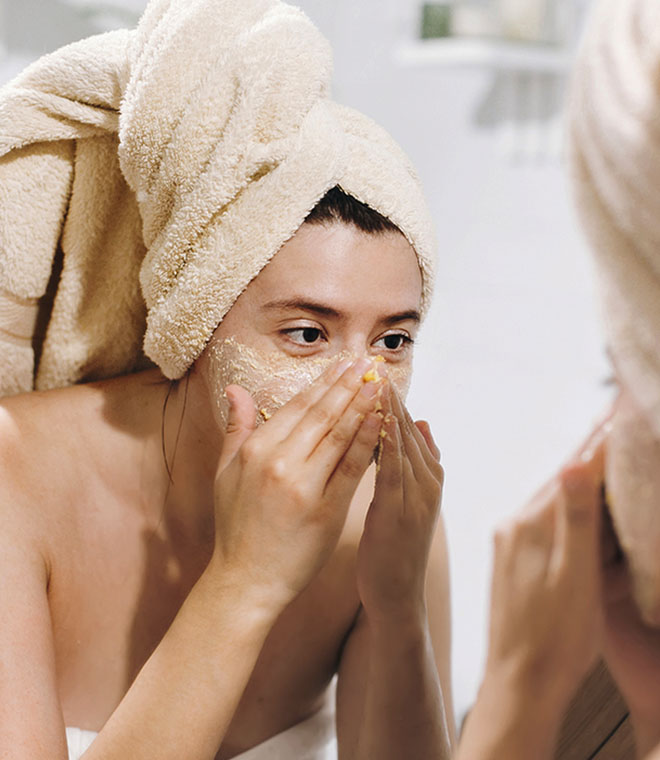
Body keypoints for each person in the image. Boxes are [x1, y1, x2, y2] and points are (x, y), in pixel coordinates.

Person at [0, 1, 454, 759]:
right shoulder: (15, 478)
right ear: (196, 326)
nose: (362, 387)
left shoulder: (384, 524)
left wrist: (398, 605)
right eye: (307, 333)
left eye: (393, 339)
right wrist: (245, 583)